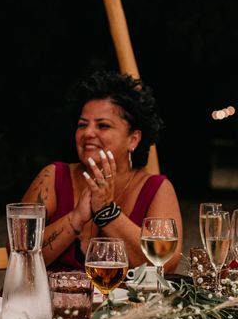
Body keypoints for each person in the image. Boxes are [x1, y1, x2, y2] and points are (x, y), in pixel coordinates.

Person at [19, 71, 183, 273]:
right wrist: (76, 218)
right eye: (82, 125)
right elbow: (18, 254)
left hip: (123, 305)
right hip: (42, 303)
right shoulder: (53, 177)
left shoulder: (156, 189)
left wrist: (107, 212)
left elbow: (166, 265)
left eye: (103, 125)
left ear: (133, 139)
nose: (88, 133)